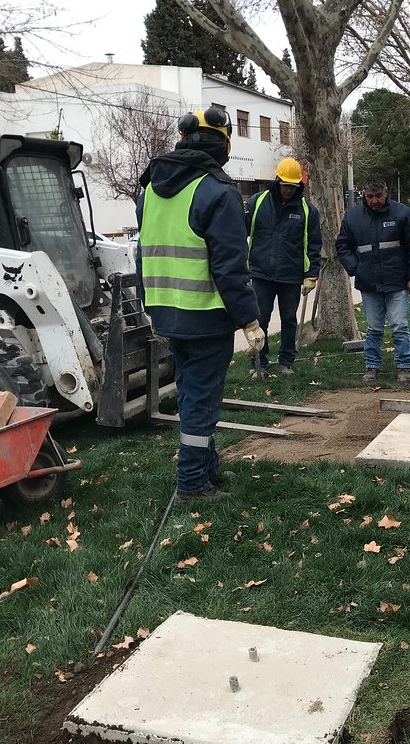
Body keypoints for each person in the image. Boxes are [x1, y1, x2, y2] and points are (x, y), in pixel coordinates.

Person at [135, 107, 265, 503]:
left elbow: (144, 253)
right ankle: (191, 482)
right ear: (224, 143)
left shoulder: (151, 189)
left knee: (192, 391)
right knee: (202, 400)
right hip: (205, 316)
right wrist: (250, 320)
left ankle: (207, 468)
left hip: (166, 311)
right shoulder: (217, 191)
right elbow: (230, 267)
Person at [336, 174, 410, 384]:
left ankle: (404, 366)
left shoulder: (402, 214)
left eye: (378, 195)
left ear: (386, 193)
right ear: (364, 196)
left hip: (397, 281)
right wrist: (355, 268)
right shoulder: (352, 217)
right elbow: (342, 246)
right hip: (369, 283)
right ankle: (372, 366)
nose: (374, 200)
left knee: (399, 326)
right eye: (370, 196)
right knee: (374, 328)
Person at [245, 157, 322, 375]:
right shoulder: (257, 203)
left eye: (292, 186)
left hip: (291, 274)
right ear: (277, 181)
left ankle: (286, 361)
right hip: (261, 273)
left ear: (299, 185)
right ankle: (259, 362)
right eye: (285, 185)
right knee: (261, 319)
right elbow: (241, 233)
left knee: (289, 319)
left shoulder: (308, 212)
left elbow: (313, 244)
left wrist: (311, 274)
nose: (288, 190)